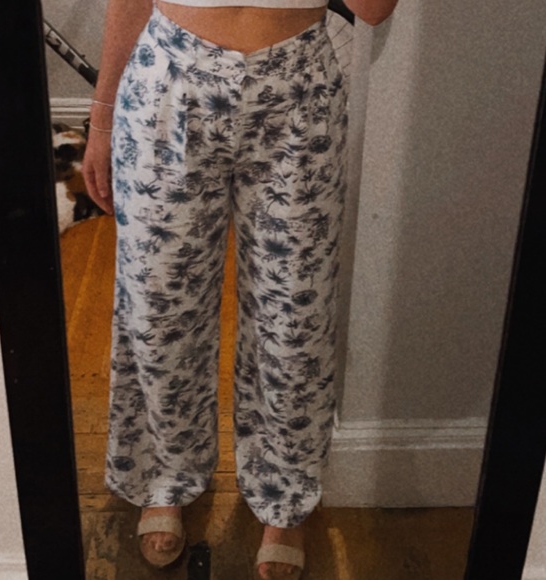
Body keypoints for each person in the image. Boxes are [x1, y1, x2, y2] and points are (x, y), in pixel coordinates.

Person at [83, 0, 398, 577]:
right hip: (170, 77)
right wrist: (101, 117)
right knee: (158, 307)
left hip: (299, 86)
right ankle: (164, 474)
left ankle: (285, 494)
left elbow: (374, 10)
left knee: (295, 318)